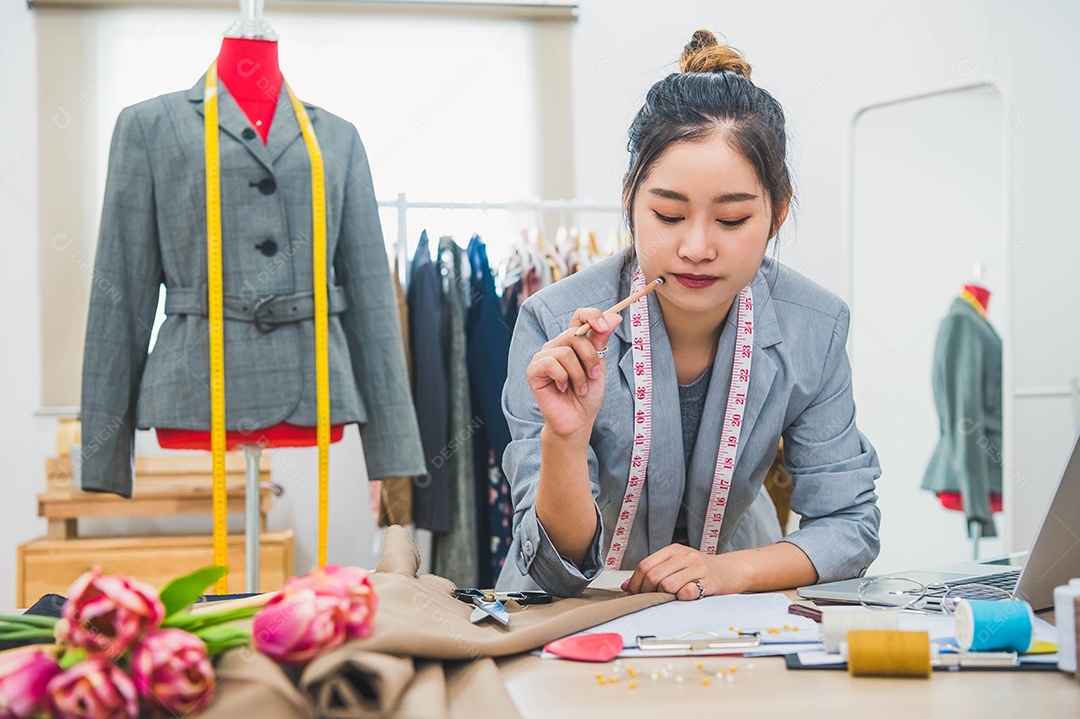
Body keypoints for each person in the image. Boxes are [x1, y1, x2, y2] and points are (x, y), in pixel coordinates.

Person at [496, 30, 881, 600]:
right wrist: (565, 441)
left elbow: (850, 526)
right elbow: (553, 565)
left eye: (731, 221)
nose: (697, 247)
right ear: (631, 198)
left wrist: (733, 571)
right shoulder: (554, 323)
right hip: (571, 610)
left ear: (778, 212)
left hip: (726, 599)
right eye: (669, 215)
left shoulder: (815, 327)